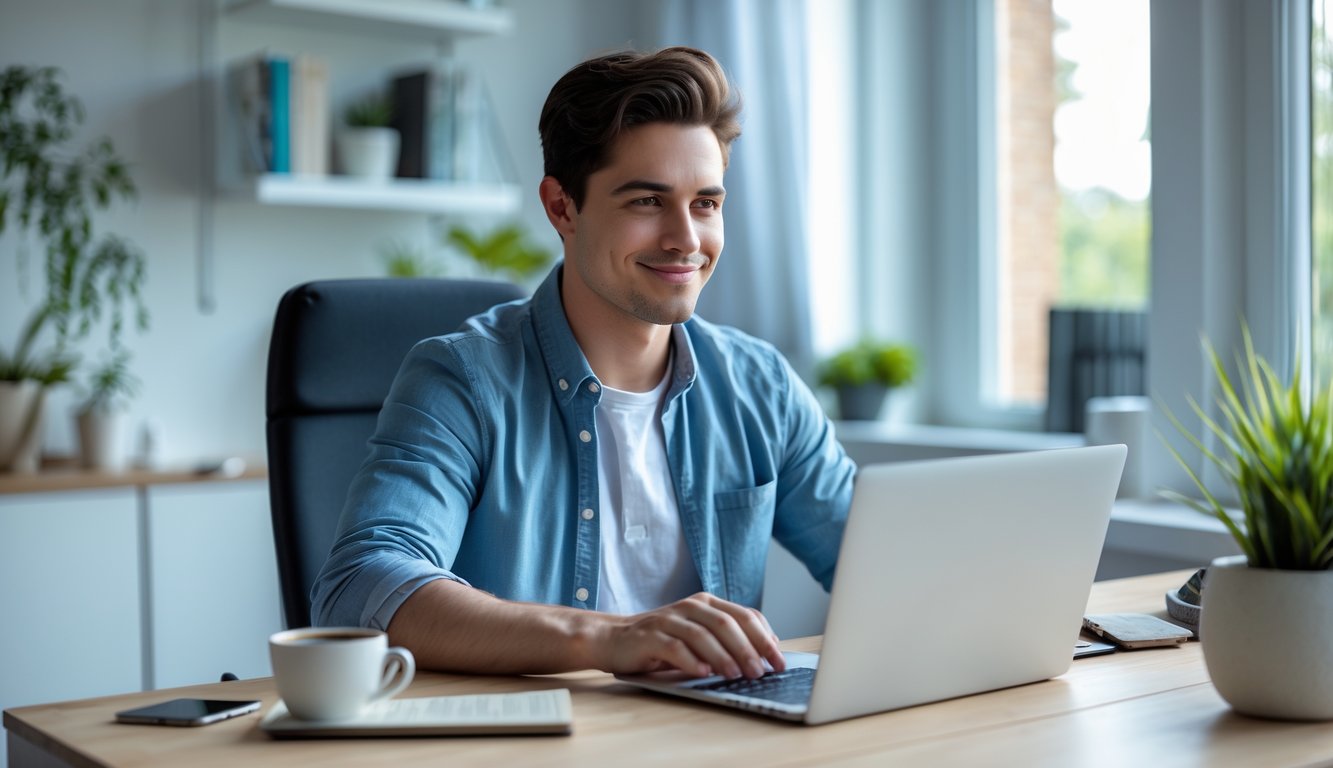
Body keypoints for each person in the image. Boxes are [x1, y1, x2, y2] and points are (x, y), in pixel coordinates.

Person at [313, 46, 855, 682]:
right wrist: (604, 639)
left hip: (713, 741)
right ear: (562, 208)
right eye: (647, 202)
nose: (686, 238)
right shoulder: (461, 380)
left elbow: (878, 561)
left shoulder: (760, 386)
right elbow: (361, 586)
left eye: (706, 203)